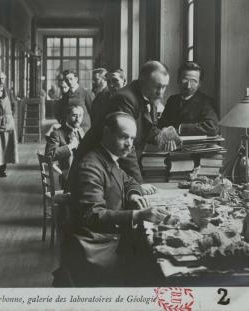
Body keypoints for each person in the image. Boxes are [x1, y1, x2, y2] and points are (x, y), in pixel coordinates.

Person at [61, 112, 170, 286]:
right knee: (155, 267)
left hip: (110, 238)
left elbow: (129, 181)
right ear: (106, 133)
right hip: (96, 247)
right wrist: (138, 214)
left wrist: (133, 194)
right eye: (124, 137)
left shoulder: (108, 158)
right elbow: (92, 215)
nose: (129, 144)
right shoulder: (91, 166)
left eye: (132, 139)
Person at [158, 62, 219, 165]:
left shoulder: (206, 102)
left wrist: (180, 128)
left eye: (194, 81)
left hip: (196, 156)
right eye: (185, 80)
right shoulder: (172, 100)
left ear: (200, 84)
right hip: (170, 151)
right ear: (178, 80)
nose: (188, 85)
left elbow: (212, 127)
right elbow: (162, 124)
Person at [45, 103, 84, 189]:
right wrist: (69, 146)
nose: (78, 119)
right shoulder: (57, 133)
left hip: (84, 173)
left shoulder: (81, 131)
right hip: (68, 177)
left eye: (80, 116)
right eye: (74, 115)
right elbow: (49, 155)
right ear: (67, 116)